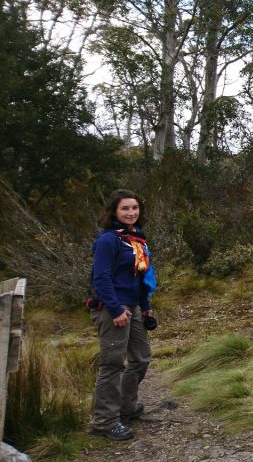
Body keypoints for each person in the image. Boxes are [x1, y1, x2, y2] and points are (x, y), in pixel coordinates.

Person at [87, 189, 156, 441]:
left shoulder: (134, 238)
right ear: (114, 211)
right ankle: (104, 422)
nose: (131, 213)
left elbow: (138, 276)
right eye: (125, 208)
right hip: (112, 308)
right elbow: (101, 278)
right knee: (113, 365)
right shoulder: (108, 239)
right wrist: (116, 309)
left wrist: (145, 305)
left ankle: (126, 408)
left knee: (140, 359)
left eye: (135, 208)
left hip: (134, 306)